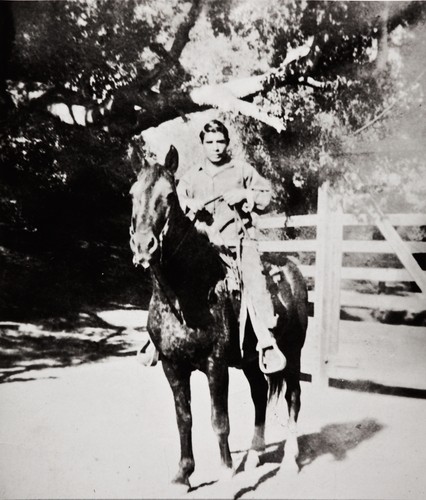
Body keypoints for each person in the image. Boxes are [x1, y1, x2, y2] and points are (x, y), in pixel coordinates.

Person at [176, 119, 286, 374]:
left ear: (227, 143)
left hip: (238, 242)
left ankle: (267, 341)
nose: (215, 147)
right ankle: (159, 338)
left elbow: (267, 196)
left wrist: (245, 196)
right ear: (202, 145)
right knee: (176, 274)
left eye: (220, 142)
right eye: (210, 142)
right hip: (203, 244)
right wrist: (188, 205)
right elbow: (177, 198)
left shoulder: (242, 170)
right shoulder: (191, 176)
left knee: (254, 279)